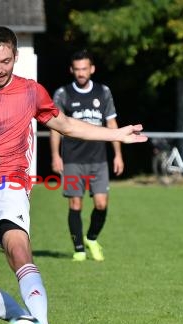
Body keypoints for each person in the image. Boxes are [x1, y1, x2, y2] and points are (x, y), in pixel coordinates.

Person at [0, 26, 146, 324]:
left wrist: (115, 136)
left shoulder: (30, 92)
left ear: (16, 57)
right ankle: (29, 321)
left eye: (6, 61)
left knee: (17, 251)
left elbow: (66, 124)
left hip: (10, 186)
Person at [50, 50, 123, 262]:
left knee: (101, 204)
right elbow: (55, 127)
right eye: (77, 69)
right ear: (71, 70)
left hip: (99, 159)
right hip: (73, 159)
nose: (81, 73)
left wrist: (117, 154)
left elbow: (111, 124)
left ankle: (91, 238)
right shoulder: (63, 94)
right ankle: (79, 249)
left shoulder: (103, 92)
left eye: (85, 69)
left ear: (92, 69)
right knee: (75, 204)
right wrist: (56, 155)